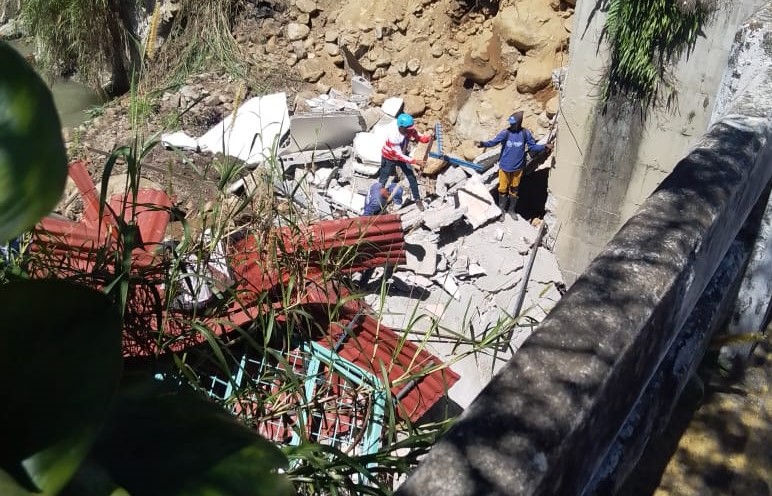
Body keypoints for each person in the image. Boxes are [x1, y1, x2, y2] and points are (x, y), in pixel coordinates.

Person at [477, 111, 553, 219]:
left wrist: (544, 147)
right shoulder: (505, 133)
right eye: (510, 122)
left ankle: (511, 210)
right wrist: (482, 144)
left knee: (514, 189)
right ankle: (501, 210)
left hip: (518, 168)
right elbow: (493, 142)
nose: (511, 125)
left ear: (518, 123)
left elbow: (533, 147)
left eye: (513, 123)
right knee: (502, 189)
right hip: (504, 167)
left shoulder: (525, 133)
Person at [379, 113, 432, 212]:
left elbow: (419, 137)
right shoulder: (393, 136)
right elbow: (398, 155)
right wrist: (415, 161)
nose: (411, 129)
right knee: (383, 178)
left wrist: (429, 138)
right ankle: (379, 199)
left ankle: (417, 199)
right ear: (402, 127)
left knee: (411, 177)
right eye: (409, 128)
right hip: (389, 157)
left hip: (401, 156)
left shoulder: (409, 130)